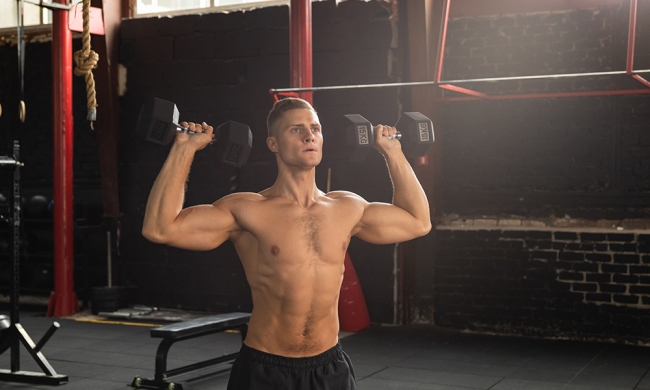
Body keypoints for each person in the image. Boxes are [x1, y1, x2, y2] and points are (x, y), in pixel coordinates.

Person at [142, 97, 431, 389]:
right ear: (273, 144)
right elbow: (161, 228)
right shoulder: (247, 209)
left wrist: (393, 152)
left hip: (329, 367)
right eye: (296, 129)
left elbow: (418, 221)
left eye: (315, 128)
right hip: (266, 369)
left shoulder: (347, 208)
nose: (309, 135)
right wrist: (184, 148)